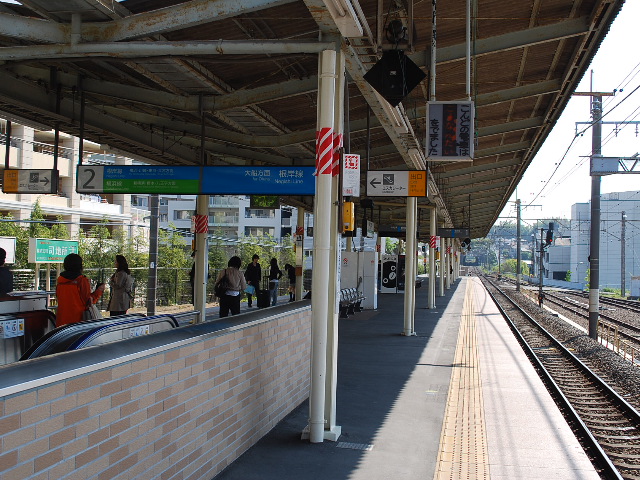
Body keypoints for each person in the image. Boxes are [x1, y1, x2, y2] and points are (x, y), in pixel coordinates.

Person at [55, 253, 105, 327]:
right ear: (79, 266)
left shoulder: (60, 281)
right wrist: (99, 291)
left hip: (61, 323)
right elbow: (88, 302)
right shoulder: (81, 280)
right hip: (78, 323)